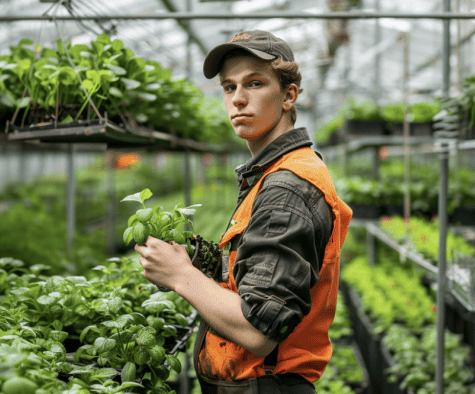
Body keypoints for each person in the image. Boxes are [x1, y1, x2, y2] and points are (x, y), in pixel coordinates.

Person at [134, 30, 353, 394]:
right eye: (229, 87)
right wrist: (197, 261)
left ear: (288, 96)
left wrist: (181, 276)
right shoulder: (273, 173)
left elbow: (259, 329)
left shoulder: (286, 187)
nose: (238, 99)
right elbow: (253, 275)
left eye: (254, 83)